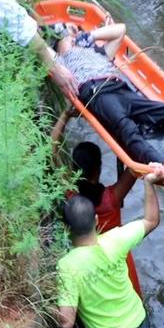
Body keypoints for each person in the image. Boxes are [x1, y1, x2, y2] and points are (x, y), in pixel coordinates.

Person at [56, 162, 164, 328]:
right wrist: (148, 184)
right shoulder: (116, 239)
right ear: (96, 222)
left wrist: (43, 304)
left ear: (66, 229)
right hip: (141, 325)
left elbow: (66, 321)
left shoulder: (67, 266)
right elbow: (152, 220)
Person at [52, 22, 164, 165]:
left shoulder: (97, 52)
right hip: (97, 92)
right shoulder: (59, 63)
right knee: (128, 130)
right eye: (69, 35)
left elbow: (120, 30)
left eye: (76, 33)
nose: (74, 37)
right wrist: (64, 35)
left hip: (121, 90)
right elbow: (38, 41)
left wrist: (88, 36)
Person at [51, 108, 141, 295]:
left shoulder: (71, 195)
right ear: (99, 168)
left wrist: (66, 114)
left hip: (87, 264)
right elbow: (136, 162)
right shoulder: (112, 198)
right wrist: (118, 126)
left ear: (73, 168)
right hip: (118, 261)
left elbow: (52, 148)